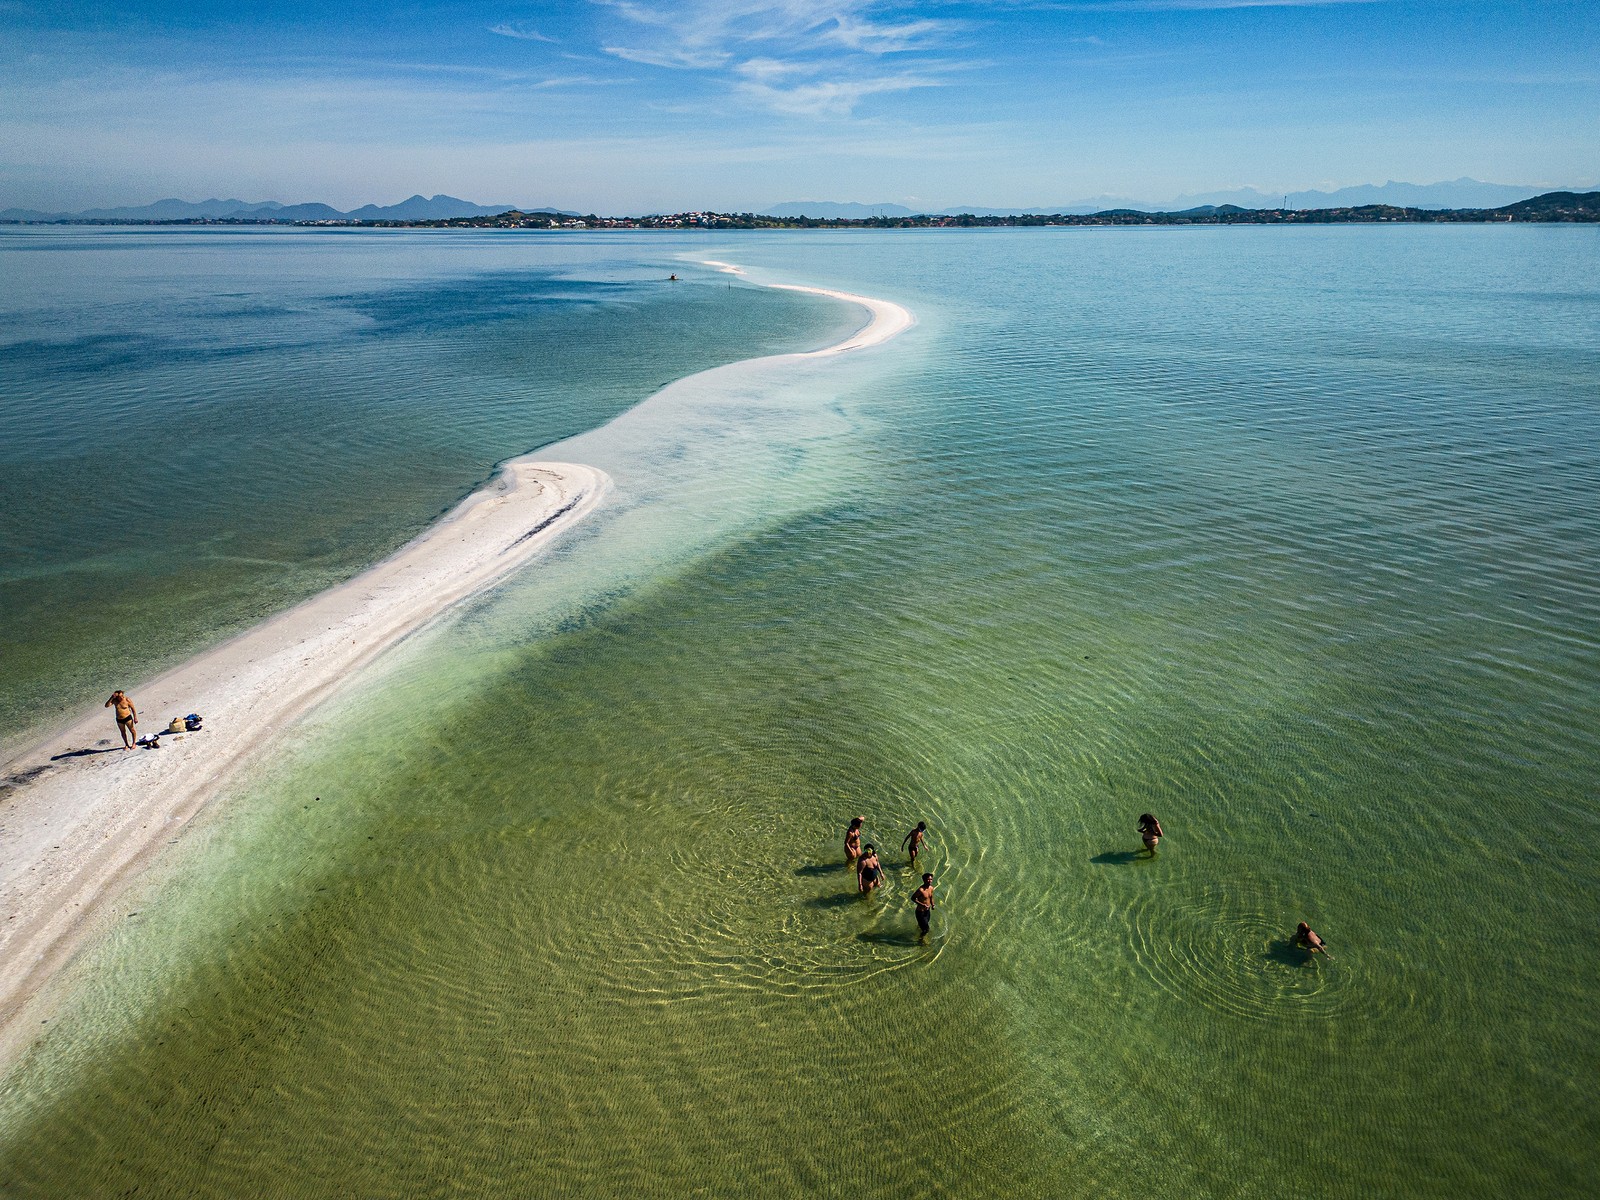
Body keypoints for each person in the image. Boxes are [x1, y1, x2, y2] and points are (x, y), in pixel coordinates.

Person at [912, 873, 936, 939]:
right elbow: (913, 898)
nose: (930, 881)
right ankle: (920, 939)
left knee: (926, 923)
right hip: (920, 912)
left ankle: (920, 927)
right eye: (928, 879)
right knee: (926, 929)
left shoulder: (931, 888)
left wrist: (932, 904)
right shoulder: (921, 890)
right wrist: (922, 904)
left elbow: (931, 897)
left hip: (927, 911)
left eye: (931, 879)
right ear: (924, 880)